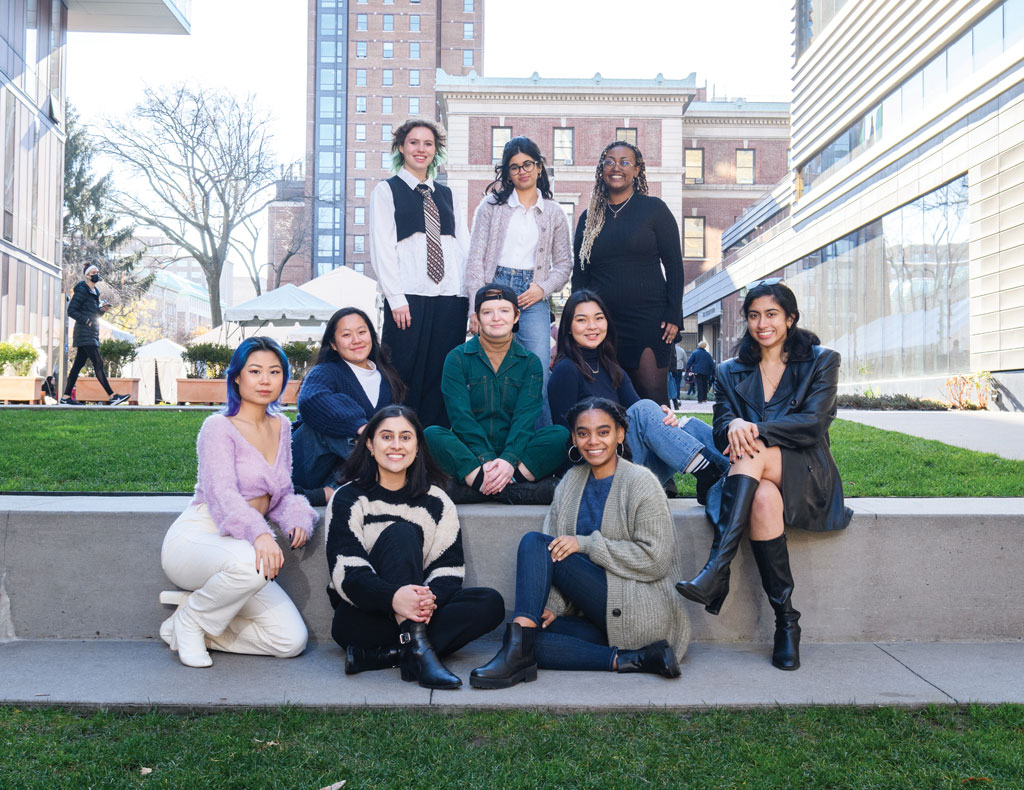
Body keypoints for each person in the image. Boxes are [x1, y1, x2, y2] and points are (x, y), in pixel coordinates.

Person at [675, 281, 853, 671]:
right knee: (763, 499)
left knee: (753, 450)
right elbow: (722, 429)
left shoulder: (822, 361)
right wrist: (735, 422)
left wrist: (753, 429)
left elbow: (813, 424)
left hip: (807, 477)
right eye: (753, 315)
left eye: (771, 314)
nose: (762, 323)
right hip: (755, 484)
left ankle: (716, 572)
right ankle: (786, 621)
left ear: (790, 318)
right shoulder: (729, 371)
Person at [469, 397, 689, 688]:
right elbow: (558, 558)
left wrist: (587, 544)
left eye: (603, 432)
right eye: (583, 433)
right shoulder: (571, 482)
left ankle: (514, 653)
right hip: (602, 616)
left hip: (643, 609)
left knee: (535, 543)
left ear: (620, 434)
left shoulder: (640, 482)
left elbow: (655, 559)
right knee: (536, 639)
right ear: (573, 437)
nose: (592, 441)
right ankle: (633, 658)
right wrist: (555, 608)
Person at [159, 337, 317, 668]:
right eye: (255, 371)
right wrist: (260, 534)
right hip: (200, 536)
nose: (265, 380)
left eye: (274, 372)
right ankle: (193, 621)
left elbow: (281, 494)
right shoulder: (218, 426)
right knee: (251, 563)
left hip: (242, 553)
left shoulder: (282, 425)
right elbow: (222, 494)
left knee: (290, 641)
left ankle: (192, 615)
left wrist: (297, 517)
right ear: (237, 377)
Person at [326, 405, 504, 689]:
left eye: (406, 437)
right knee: (401, 534)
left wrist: (421, 604)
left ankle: (396, 653)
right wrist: (394, 598)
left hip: (418, 611)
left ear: (419, 446)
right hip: (363, 616)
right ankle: (419, 650)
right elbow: (347, 571)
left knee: (489, 603)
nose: (396, 445)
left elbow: (448, 572)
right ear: (370, 445)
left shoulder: (436, 500)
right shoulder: (347, 497)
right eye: (386, 437)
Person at [548, 290, 728, 504]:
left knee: (690, 426)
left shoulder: (612, 369)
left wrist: (665, 418)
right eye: (581, 320)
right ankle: (707, 473)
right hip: (595, 477)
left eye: (598, 318)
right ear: (568, 327)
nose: (592, 326)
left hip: (629, 469)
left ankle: (738, 474)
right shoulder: (565, 371)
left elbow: (645, 418)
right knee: (644, 409)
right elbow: (568, 441)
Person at [425, 284, 570, 505]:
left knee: (560, 436)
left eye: (504, 311)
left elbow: (525, 419)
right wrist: (487, 459)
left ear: (516, 315)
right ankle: (514, 488)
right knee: (431, 435)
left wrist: (509, 460)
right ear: (478, 317)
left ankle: (481, 487)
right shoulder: (457, 358)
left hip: (517, 452)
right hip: (471, 455)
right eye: (487, 312)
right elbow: (460, 417)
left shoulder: (530, 362)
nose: (496, 318)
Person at [464, 136, 573, 426]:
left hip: (532, 293)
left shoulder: (554, 213)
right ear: (508, 173)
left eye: (528, 164)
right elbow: (475, 260)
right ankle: (492, 443)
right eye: (514, 167)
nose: (522, 171)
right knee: (491, 369)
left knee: (537, 368)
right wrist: (475, 308)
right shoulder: (490, 207)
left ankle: (542, 444)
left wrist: (542, 288)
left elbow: (564, 265)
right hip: (494, 287)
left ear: (539, 167)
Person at [369, 119, 470, 428]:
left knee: (441, 379)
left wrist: (469, 299)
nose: (421, 149)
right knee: (401, 375)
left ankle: (434, 452)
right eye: (414, 142)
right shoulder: (386, 191)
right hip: (408, 299)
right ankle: (397, 443)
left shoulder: (448, 195)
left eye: (428, 144)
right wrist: (396, 298)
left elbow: (463, 249)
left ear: (436, 150)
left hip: (449, 299)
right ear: (402, 147)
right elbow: (382, 248)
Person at [571, 141, 684, 405]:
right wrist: (577, 320)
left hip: (649, 321)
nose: (616, 167)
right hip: (602, 324)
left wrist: (674, 314)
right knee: (609, 402)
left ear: (637, 170)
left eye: (624, 162)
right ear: (601, 171)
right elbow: (580, 276)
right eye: (609, 161)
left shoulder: (655, 209)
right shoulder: (589, 219)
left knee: (653, 401)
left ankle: (662, 447)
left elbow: (674, 266)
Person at [291, 307, 406, 507]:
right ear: (334, 345)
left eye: (362, 332)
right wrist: (360, 426)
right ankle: (393, 476)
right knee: (338, 408)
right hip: (309, 463)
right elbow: (310, 400)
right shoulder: (326, 372)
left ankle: (330, 493)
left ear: (371, 335)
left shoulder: (388, 377)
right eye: (346, 335)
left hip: (348, 475)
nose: (356, 340)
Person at [61, 264, 129, 405]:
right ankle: (112, 396)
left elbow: (93, 313)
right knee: (98, 363)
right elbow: (71, 311)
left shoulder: (95, 291)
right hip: (84, 333)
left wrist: (102, 310)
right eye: (93, 272)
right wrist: (87, 321)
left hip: (91, 333)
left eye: (97, 272)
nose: (96, 274)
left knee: (77, 366)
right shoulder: (82, 289)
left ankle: (66, 397)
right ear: (87, 275)